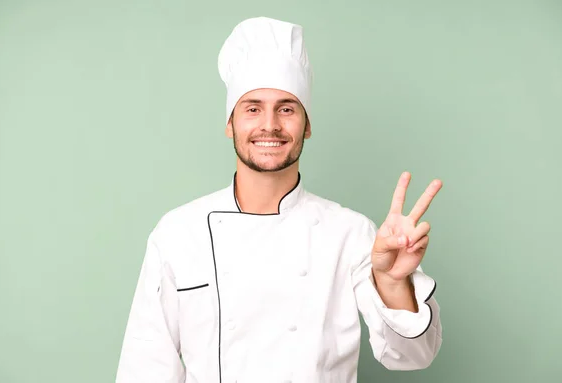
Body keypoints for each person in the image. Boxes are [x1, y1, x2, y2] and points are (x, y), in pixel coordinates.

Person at [116, 16, 443, 383]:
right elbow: (144, 369)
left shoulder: (350, 234)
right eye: (252, 108)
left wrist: (394, 282)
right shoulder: (178, 234)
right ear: (230, 124)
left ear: (307, 124)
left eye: (286, 108)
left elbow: (414, 356)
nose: (269, 124)